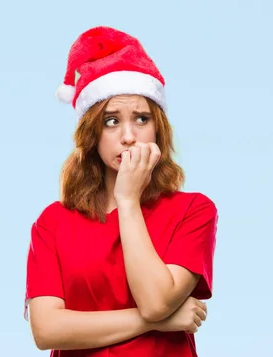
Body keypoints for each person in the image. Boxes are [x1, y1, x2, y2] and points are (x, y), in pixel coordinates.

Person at [24, 26, 218, 357]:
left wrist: (127, 200)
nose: (128, 136)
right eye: (111, 121)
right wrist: (154, 323)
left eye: (141, 119)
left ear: (158, 128)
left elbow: (156, 301)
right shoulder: (53, 222)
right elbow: (46, 330)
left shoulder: (194, 211)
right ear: (91, 134)